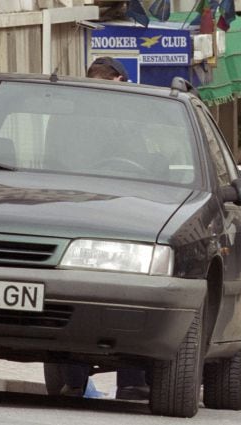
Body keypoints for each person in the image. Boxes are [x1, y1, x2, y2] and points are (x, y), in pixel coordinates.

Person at [57, 56, 150, 401]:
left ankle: (77, 381)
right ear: (117, 80)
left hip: (75, 217)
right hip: (117, 218)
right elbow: (146, 168)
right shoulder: (122, 121)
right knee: (129, 299)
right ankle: (130, 380)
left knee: (72, 299)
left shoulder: (67, 120)